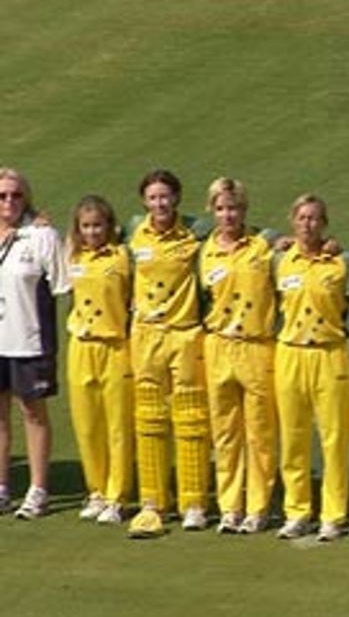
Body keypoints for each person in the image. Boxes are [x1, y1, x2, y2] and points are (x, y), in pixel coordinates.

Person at [126, 170, 212, 536]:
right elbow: (90, 232)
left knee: (190, 418)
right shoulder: (133, 231)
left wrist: (278, 239)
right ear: (144, 201)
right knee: (148, 416)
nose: (160, 204)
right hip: (145, 334)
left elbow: (243, 228)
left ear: (176, 198)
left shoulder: (197, 231)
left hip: (185, 333)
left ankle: (194, 502)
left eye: (165, 197)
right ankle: (152, 500)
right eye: (153, 198)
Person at [199, 177, 277, 534]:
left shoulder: (264, 247)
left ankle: (258, 506)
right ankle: (230, 506)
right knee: (225, 433)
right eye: (221, 208)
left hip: (257, 346)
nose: (227, 215)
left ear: (244, 210)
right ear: (211, 211)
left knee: (259, 433)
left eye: (233, 208)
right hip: (218, 346)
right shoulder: (205, 251)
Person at [274, 194, 349, 541]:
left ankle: (333, 514)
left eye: (314, 218)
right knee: (293, 439)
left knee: (333, 438)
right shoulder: (278, 260)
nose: (308, 224)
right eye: (302, 218)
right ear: (293, 222)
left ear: (324, 224)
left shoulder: (341, 262)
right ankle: (297, 510)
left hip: (328, 353)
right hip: (291, 353)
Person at [0, 168, 70, 518]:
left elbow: (62, 285)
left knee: (33, 413)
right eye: (2, 196)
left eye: (16, 195)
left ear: (27, 198)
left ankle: (38, 488)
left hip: (30, 341)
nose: (9, 202)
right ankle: (1, 488)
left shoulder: (41, 236)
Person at [66, 195, 134, 525]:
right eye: (86, 226)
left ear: (110, 226)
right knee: (87, 425)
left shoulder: (122, 255)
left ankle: (117, 496)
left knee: (117, 425)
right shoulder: (74, 255)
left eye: (98, 225)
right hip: (81, 345)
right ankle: (96, 491)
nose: (92, 232)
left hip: (114, 346)